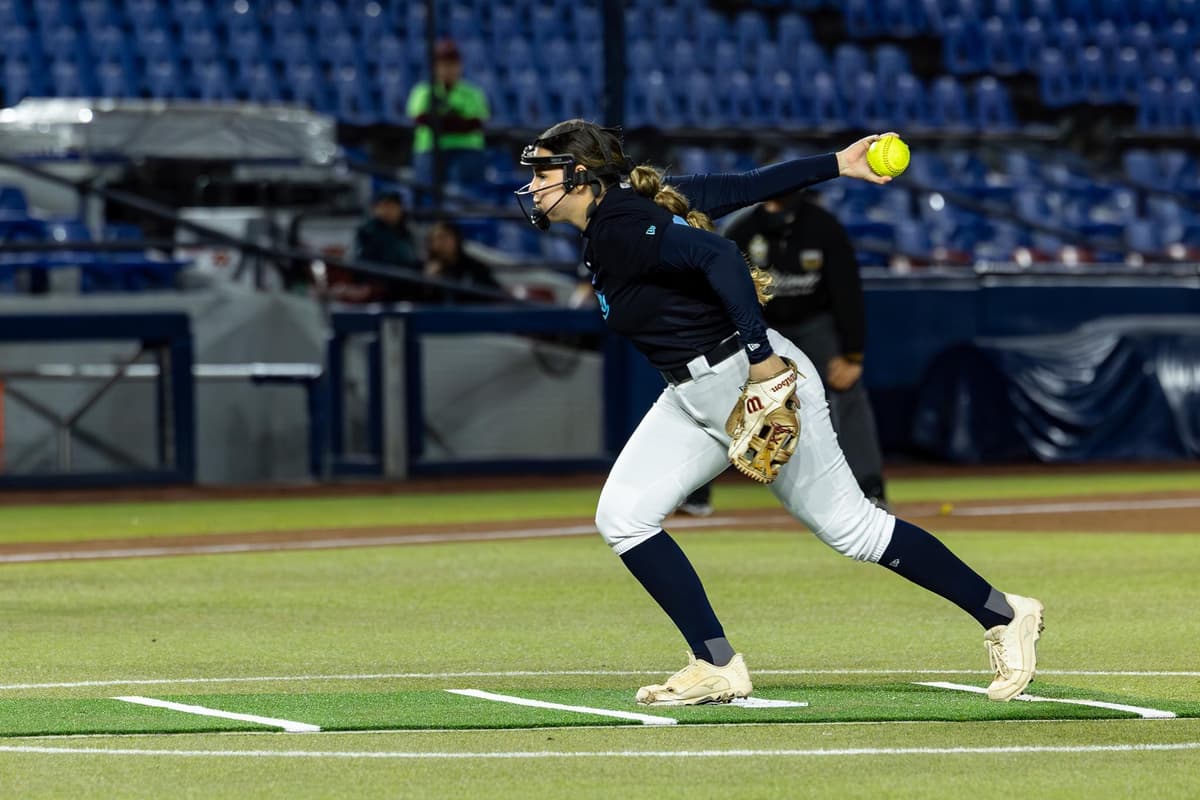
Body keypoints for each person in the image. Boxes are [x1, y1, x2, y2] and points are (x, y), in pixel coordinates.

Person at [514, 119, 1043, 706]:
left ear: (581, 175)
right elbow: (748, 185)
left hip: (749, 378)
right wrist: (838, 163)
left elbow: (720, 256)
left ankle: (1004, 613)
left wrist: (761, 360)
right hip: (692, 395)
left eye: (543, 171)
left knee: (855, 530)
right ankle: (716, 663)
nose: (533, 184)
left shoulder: (621, 224)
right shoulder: (628, 207)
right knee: (623, 517)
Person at [679, 190, 889, 517]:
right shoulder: (743, 229)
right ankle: (696, 493)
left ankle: (869, 488)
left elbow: (847, 290)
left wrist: (852, 354)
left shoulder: (823, 227)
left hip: (814, 324)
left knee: (846, 390)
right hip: (760, 326)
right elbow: (719, 290)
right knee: (722, 395)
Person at [405, 39, 490, 188]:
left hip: (466, 149)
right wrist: (454, 120)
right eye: (443, 64)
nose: (448, 69)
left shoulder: (472, 93)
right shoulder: (423, 91)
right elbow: (420, 118)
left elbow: (475, 123)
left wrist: (441, 121)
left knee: (465, 194)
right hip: (430, 149)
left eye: (453, 64)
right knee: (427, 194)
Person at [331, 191, 422, 303]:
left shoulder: (408, 231)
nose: (388, 210)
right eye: (384, 206)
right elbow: (359, 262)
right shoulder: (366, 231)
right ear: (376, 208)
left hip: (405, 282)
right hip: (377, 284)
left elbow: (415, 258)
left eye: (393, 206)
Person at [422, 220, 506, 303]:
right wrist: (428, 284)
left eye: (446, 237)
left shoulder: (474, 267)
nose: (442, 243)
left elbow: (494, 293)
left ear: (456, 239)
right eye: (437, 238)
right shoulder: (421, 270)